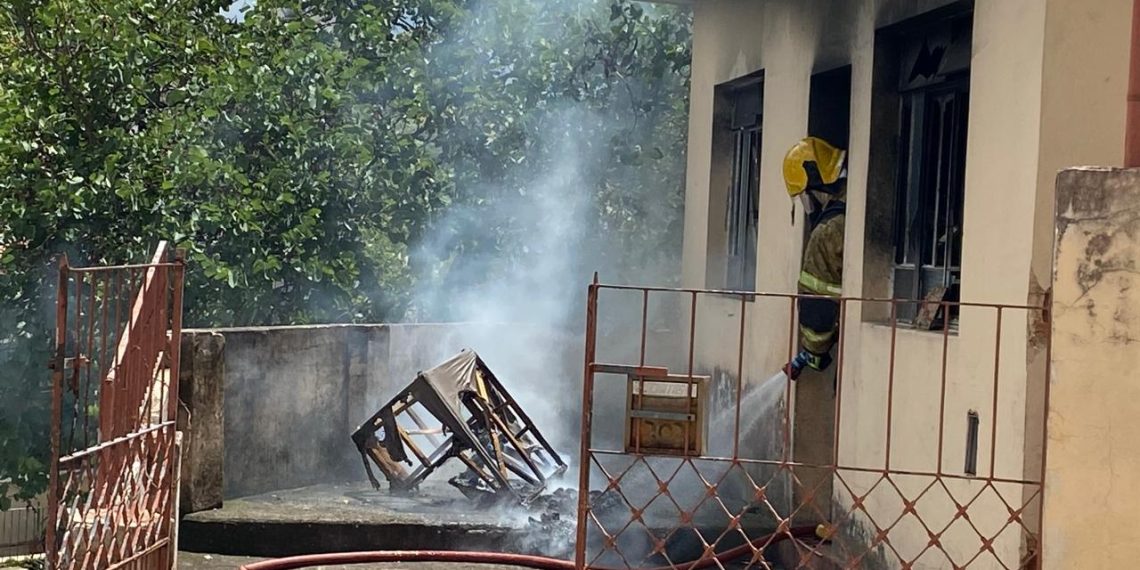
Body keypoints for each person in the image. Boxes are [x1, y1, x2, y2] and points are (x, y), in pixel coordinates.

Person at [782, 137, 846, 381]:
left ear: (815, 185)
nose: (806, 204)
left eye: (803, 195)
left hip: (840, 338)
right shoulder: (851, 201)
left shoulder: (826, 232)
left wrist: (813, 350)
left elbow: (815, 296)